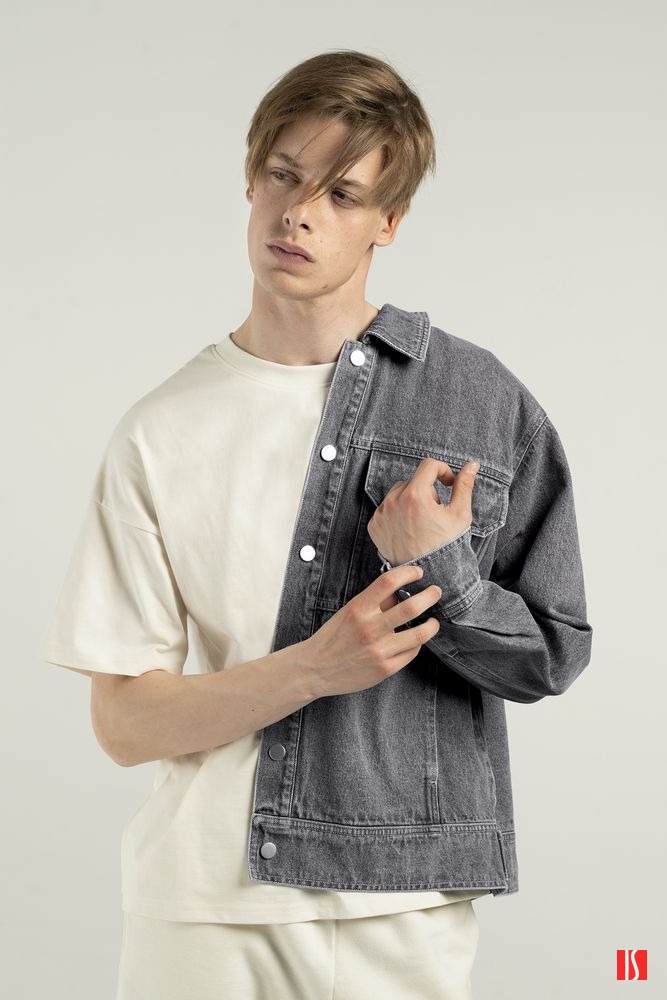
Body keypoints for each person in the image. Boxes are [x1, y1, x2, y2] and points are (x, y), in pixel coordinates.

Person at [39, 49, 593, 1000]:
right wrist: (313, 667)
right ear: (250, 181)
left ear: (389, 220)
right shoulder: (161, 428)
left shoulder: (479, 404)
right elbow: (123, 724)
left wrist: (448, 575)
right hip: (203, 907)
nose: (297, 214)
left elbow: (551, 656)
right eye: (283, 177)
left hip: (401, 904)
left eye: (341, 194)